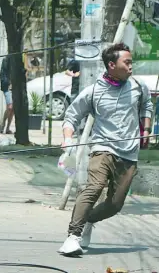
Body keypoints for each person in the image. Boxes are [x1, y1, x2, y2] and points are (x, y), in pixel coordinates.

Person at [58, 43, 153, 256]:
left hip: (129, 152)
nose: (131, 66)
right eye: (126, 62)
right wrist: (67, 138)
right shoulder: (93, 91)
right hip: (102, 147)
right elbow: (72, 116)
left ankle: (89, 218)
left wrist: (145, 129)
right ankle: (73, 236)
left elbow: (147, 105)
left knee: (115, 204)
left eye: (131, 62)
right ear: (112, 65)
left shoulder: (138, 86)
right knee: (94, 186)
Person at [0, 57, 13, 134]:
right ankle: (3, 123)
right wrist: (8, 83)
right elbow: (2, 74)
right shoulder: (6, 60)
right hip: (7, 87)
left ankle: (8, 128)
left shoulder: (21, 59)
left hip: (17, 87)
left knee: (13, 109)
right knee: (10, 107)